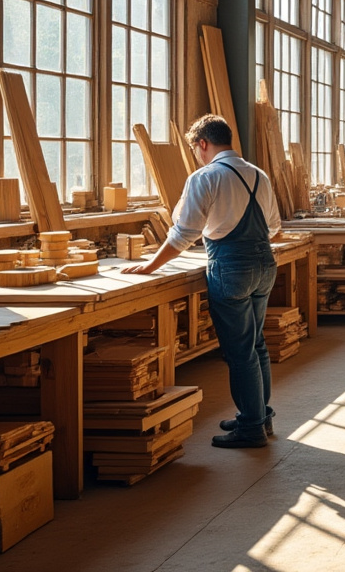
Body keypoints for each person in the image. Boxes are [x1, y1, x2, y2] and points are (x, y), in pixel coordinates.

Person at [122, 115, 282, 449]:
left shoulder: (205, 177)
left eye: (196, 148)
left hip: (232, 267)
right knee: (256, 344)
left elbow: (184, 235)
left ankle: (251, 427)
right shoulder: (259, 175)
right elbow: (273, 228)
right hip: (265, 263)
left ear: (203, 144)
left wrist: (150, 265)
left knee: (240, 352)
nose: (197, 154)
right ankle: (259, 416)